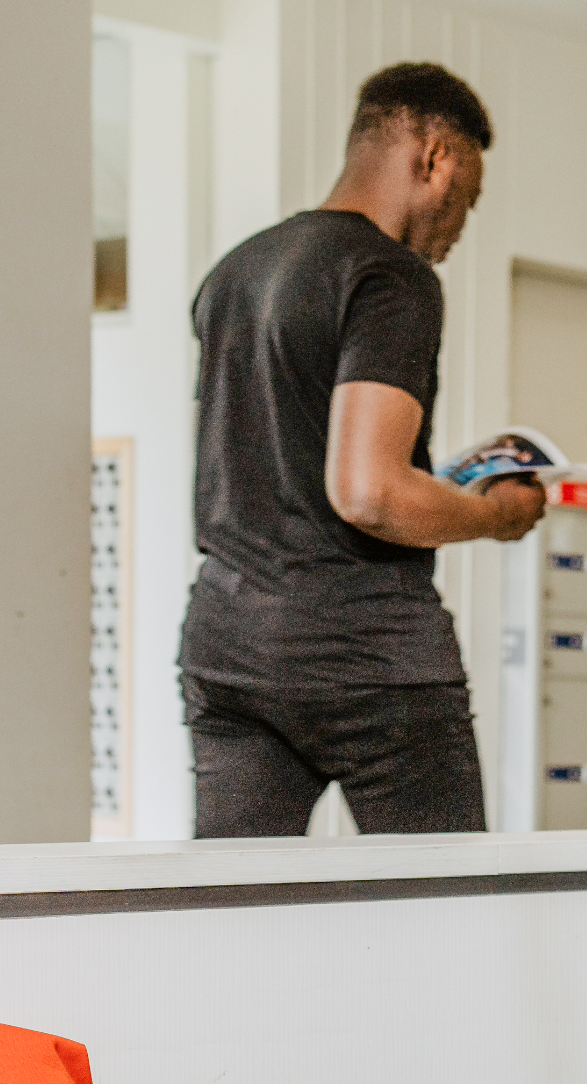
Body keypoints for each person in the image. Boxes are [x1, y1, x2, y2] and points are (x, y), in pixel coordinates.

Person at [178, 61, 544, 837]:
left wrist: (434, 485)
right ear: (434, 157)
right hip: (365, 652)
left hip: (230, 643)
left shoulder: (235, 273)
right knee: (441, 909)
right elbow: (369, 492)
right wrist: (493, 514)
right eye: (467, 198)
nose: (459, 224)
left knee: (236, 909)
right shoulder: (390, 276)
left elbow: (287, 460)